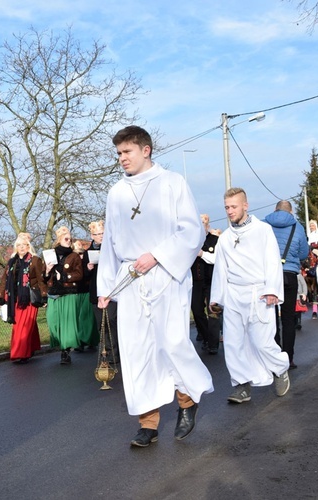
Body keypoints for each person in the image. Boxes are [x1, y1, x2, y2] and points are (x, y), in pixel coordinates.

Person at [96, 125, 213, 447]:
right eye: (118, 153)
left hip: (166, 274)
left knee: (172, 342)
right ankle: (148, 422)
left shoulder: (172, 183)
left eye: (126, 152)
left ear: (145, 150)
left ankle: (187, 399)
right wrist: (106, 287)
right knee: (137, 351)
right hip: (130, 276)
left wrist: (158, 256)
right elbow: (110, 244)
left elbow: (191, 232)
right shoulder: (116, 192)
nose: (121, 159)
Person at [210, 188, 291, 405]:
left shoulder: (263, 230)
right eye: (226, 207)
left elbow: (272, 260)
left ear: (245, 205)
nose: (229, 211)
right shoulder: (225, 238)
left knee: (262, 341)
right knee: (233, 343)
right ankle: (241, 385)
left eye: (233, 206)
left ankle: (280, 368)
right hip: (234, 294)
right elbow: (221, 269)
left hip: (259, 293)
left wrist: (272, 290)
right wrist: (216, 297)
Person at [263, 200, 309, 369]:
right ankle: (288, 358)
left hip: (268, 276)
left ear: (274, 210)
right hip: (289, 274)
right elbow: (304, 252)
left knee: (271, 318)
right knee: (289, 319)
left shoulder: (263, 224)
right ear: (291, 212)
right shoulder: (298, 227)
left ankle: (273, 358)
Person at [0, 233, 46, 363]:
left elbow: (41, 280)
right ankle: (31, 347)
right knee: (23, 324)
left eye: (24, 245)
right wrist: (0, 297)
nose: (22, 247)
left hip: (29, 298)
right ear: (16, 247)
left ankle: (21, 353)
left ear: (29, 246)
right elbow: (4, 280)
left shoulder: (35, 260)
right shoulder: (12, 261)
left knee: (24, 326)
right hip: (15, 299)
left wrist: (44, 297)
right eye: (19, 245)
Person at [45, 226, 83, 365]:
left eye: (70, 239)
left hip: (68, 293)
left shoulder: (74, 256)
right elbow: (45, 277)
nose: (69, 241)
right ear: (59, 240)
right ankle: (60, 343)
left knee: (67, 324)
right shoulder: (50, 255)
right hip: (53, 293)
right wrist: (47, 271)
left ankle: (65, 351)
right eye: (66, 239)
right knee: (53, 321)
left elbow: (79, 274)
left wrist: (65, 276)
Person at [84, 220, 118, 360]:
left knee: (111, 319)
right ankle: (108, 352)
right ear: (92, 236)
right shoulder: (88, 253)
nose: (100, 236)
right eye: (97, 234)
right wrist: (88, 268)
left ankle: (116, 351)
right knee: (101, 325)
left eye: (102, 233)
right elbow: (84, 276)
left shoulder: (113, 249)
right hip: (95, 292)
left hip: (112, 291)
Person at [191, 214, 220, 354]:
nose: (202, 225)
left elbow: (217, 259)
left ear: (208, 225)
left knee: (213, 311)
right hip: (196, 281)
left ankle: (213, 343)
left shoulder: (215, 240)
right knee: (196, 311)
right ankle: (206, 336)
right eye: (199, 222)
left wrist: (202, 254)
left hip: (211, 281)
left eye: (204, 222)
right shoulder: (191, 241)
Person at [73, 239, 99, 350]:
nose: (81, 256)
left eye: (81, 253)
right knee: (79, 317)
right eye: (78, 253)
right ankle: (82, 339)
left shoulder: (87, 257)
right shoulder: (72, 260)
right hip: (77, 290)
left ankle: (88, 340)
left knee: (87, 316)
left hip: (87, 289)